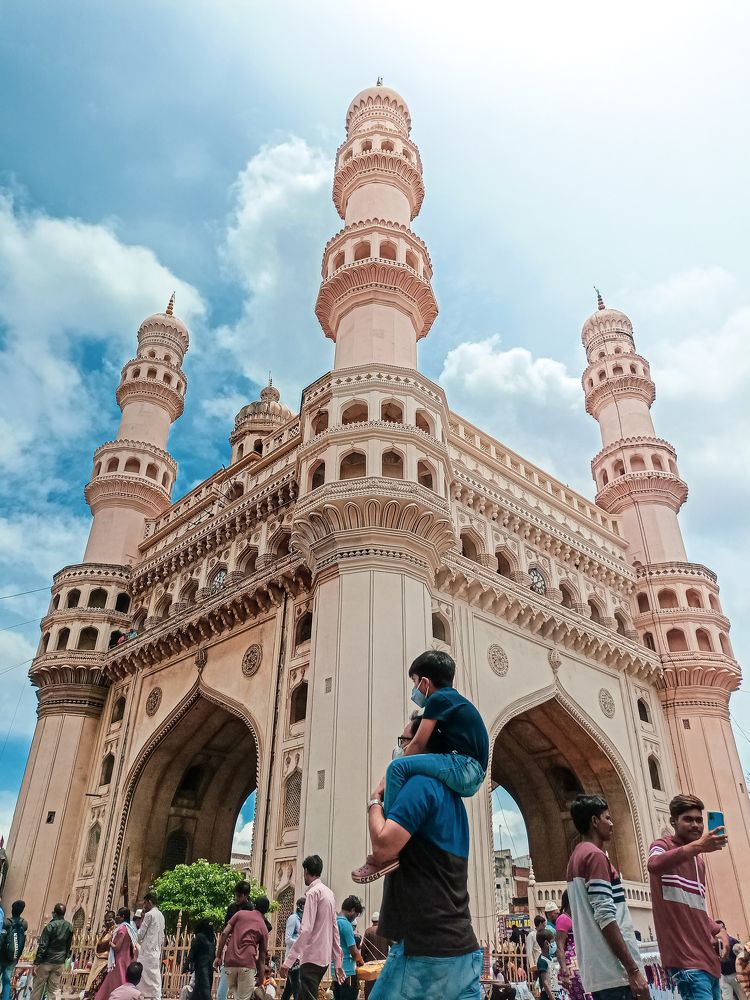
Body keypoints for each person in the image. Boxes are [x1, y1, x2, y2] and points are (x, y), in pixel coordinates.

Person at [364, 716, 484, 1000]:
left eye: (404, 741)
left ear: (421, 745)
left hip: (424, 952)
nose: (400, 748)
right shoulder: (454, 800)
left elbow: (383, 847)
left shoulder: (420, 786)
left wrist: (374, 801)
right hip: (463, 952)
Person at [353, 650, 489, 883]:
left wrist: (392, 771)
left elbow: (418, 743)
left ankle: (389, 841)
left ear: (425, 682)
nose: (415, 689)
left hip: (465, 765)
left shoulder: (439, 699)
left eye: (415, 682)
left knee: (397, 768)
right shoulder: (454, 702)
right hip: (470, 769)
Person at [565, 794, 647, 1000]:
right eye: (607, 818)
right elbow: (606, 917)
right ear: (594, 821)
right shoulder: (595, 856)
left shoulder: (576, 857)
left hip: (598, 971)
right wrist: (633, 969)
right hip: (615, 971)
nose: (611, 824)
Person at [648, 794, 730, 1000]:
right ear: (673, 822)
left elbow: (697, 908)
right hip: (686, 963)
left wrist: (719, 930)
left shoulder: (698, 863)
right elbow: (654, 864)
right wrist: (699, 846)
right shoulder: (663, 845)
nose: (695, 825)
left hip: (709, 962)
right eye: (688, 819)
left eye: (699, 820)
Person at [280, 855, 343, 1000]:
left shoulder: (313, 893)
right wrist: (338, 961)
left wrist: (288, 962)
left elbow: (306, 930)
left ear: (306, 871)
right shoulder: (329, 893)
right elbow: (335, 930)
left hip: (311, 958)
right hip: (324, 958)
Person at [213, 895, 268, 1000]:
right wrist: (261, 979)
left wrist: (218, 956)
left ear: (255, 905)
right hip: (247, 965)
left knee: (235, 995)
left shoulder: (240, 914)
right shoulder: (263, 926)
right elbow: (262, 957)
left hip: (230, 963)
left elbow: (224, 933)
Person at [218, 882, 255, 1000]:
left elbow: (264, 927)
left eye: (239, 896)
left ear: (246, 895)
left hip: (244, 955)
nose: (236, 898)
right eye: (236, 895)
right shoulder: (232, 908)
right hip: (232, 952)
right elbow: (225, 931)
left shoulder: (252, 909)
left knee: (238, 992)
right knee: (223, 988)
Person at [30, 903, 74, 1000]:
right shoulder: (69, 927)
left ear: (54, 913)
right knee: (54, 990)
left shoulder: (50, 926)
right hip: (59, 963)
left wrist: (36, 963)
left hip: (46, 962)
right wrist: (64, 958)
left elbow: (42, 946)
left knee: (38, 988)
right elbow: (68, 945)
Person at [95, 908, 139, 1000]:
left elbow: (117, 947)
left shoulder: (122, 928)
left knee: (115, 983)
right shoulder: (130, 928)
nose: (116, 917)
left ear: (122, 917)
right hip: (127, 959)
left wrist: (110, 942)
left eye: (118, 915)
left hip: (119, 961)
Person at [331, 896, 363, 1000]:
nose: (354, 918)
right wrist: (361, 961)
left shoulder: (334, 921)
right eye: (356, 915)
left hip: (335, 971)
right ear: (352, 910)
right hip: (347, 972)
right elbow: (354, 952)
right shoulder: (346, 925)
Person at [555, 891, 585, 1000]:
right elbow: (560, 946)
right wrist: (564, 971)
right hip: (572, 966)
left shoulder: (574, 918)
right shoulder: (563, 919)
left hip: (580, 964)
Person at [137, 892, 165, 1000]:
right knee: (154, 976)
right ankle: (156, 996)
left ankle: (143, 996)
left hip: (147, 951)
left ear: (149, 902)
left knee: (144, 974)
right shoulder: (161, 915)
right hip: (156, 950)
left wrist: (142, 921)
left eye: (145, 903)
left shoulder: (149, 915)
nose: (144, 906)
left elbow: (140, 935)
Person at [85, 911, 117, 999]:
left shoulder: (115, 931)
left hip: (106, 961)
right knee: (90, 981)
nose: (106, 922)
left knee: (97, 983)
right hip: (97, 958)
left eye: (109, 920)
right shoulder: (105, 931)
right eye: (105, 921)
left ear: (114, 920)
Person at [360, 912, 390, 1000]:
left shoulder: (368, 931)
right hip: (383, 966)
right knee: (382, 987)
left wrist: (363, 962)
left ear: (372, 921)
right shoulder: (385, 931)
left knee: (369, 989)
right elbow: (394, 945)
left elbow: (363, 949)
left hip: (370, 967)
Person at [1, 900, 28, 1000]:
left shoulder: (6, 922)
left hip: (2, 956)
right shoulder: (24, 924)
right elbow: (23, 942)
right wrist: (17, 957)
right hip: (13, 957)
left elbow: (1, 940)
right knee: (7, 981)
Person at [185, 919, 215, 1000]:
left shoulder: (212, 937)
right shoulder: (200, 937)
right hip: (201, 967)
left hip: (209, 967)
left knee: (202, 989)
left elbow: (212, 952)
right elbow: (193, 951)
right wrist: (187, 964)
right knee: (205, 988)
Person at [280, 898, 304, 1000]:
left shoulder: (302, 920)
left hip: (300, 957)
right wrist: (301, 942)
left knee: (289, 989)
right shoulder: (293, 919)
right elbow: (288, 939)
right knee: (297, 989)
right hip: (293, 959)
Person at [717, 922, 743, 1000]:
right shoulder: (716, 944)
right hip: (724, 976)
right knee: (727, 997)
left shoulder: (732, 941)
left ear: (725, 929)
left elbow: (741, 957)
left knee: (742, 996)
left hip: (735, 974)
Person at [527, 915, 546, 981]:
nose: (544, 926)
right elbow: (529, 952)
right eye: (544, 925)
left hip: (545, 962)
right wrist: (532, 965)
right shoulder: (532, 935)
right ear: (540, 924)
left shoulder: (544, 934)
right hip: (537, 963)